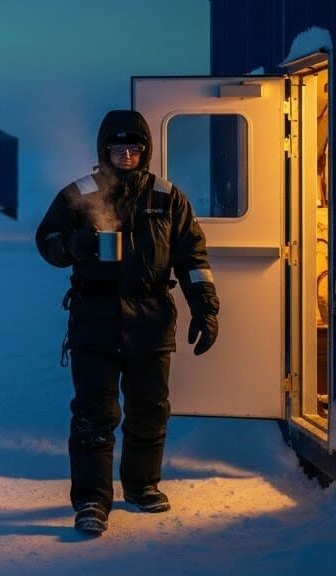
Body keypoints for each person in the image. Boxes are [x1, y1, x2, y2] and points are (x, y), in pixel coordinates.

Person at [35, 109, 220, 536]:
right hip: (95, 320)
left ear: (146, 150)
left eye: (135, 148)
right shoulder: (79, 193)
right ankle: (91, 501)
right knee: (94, 414)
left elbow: (193, 259)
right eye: (119, 148)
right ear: (104, 150)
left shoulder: (167, 197)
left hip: (152, 321)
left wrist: (206, 308)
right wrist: (77, 244)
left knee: (150, 410)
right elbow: (46, 243)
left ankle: (141, 486)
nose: (127, 155)